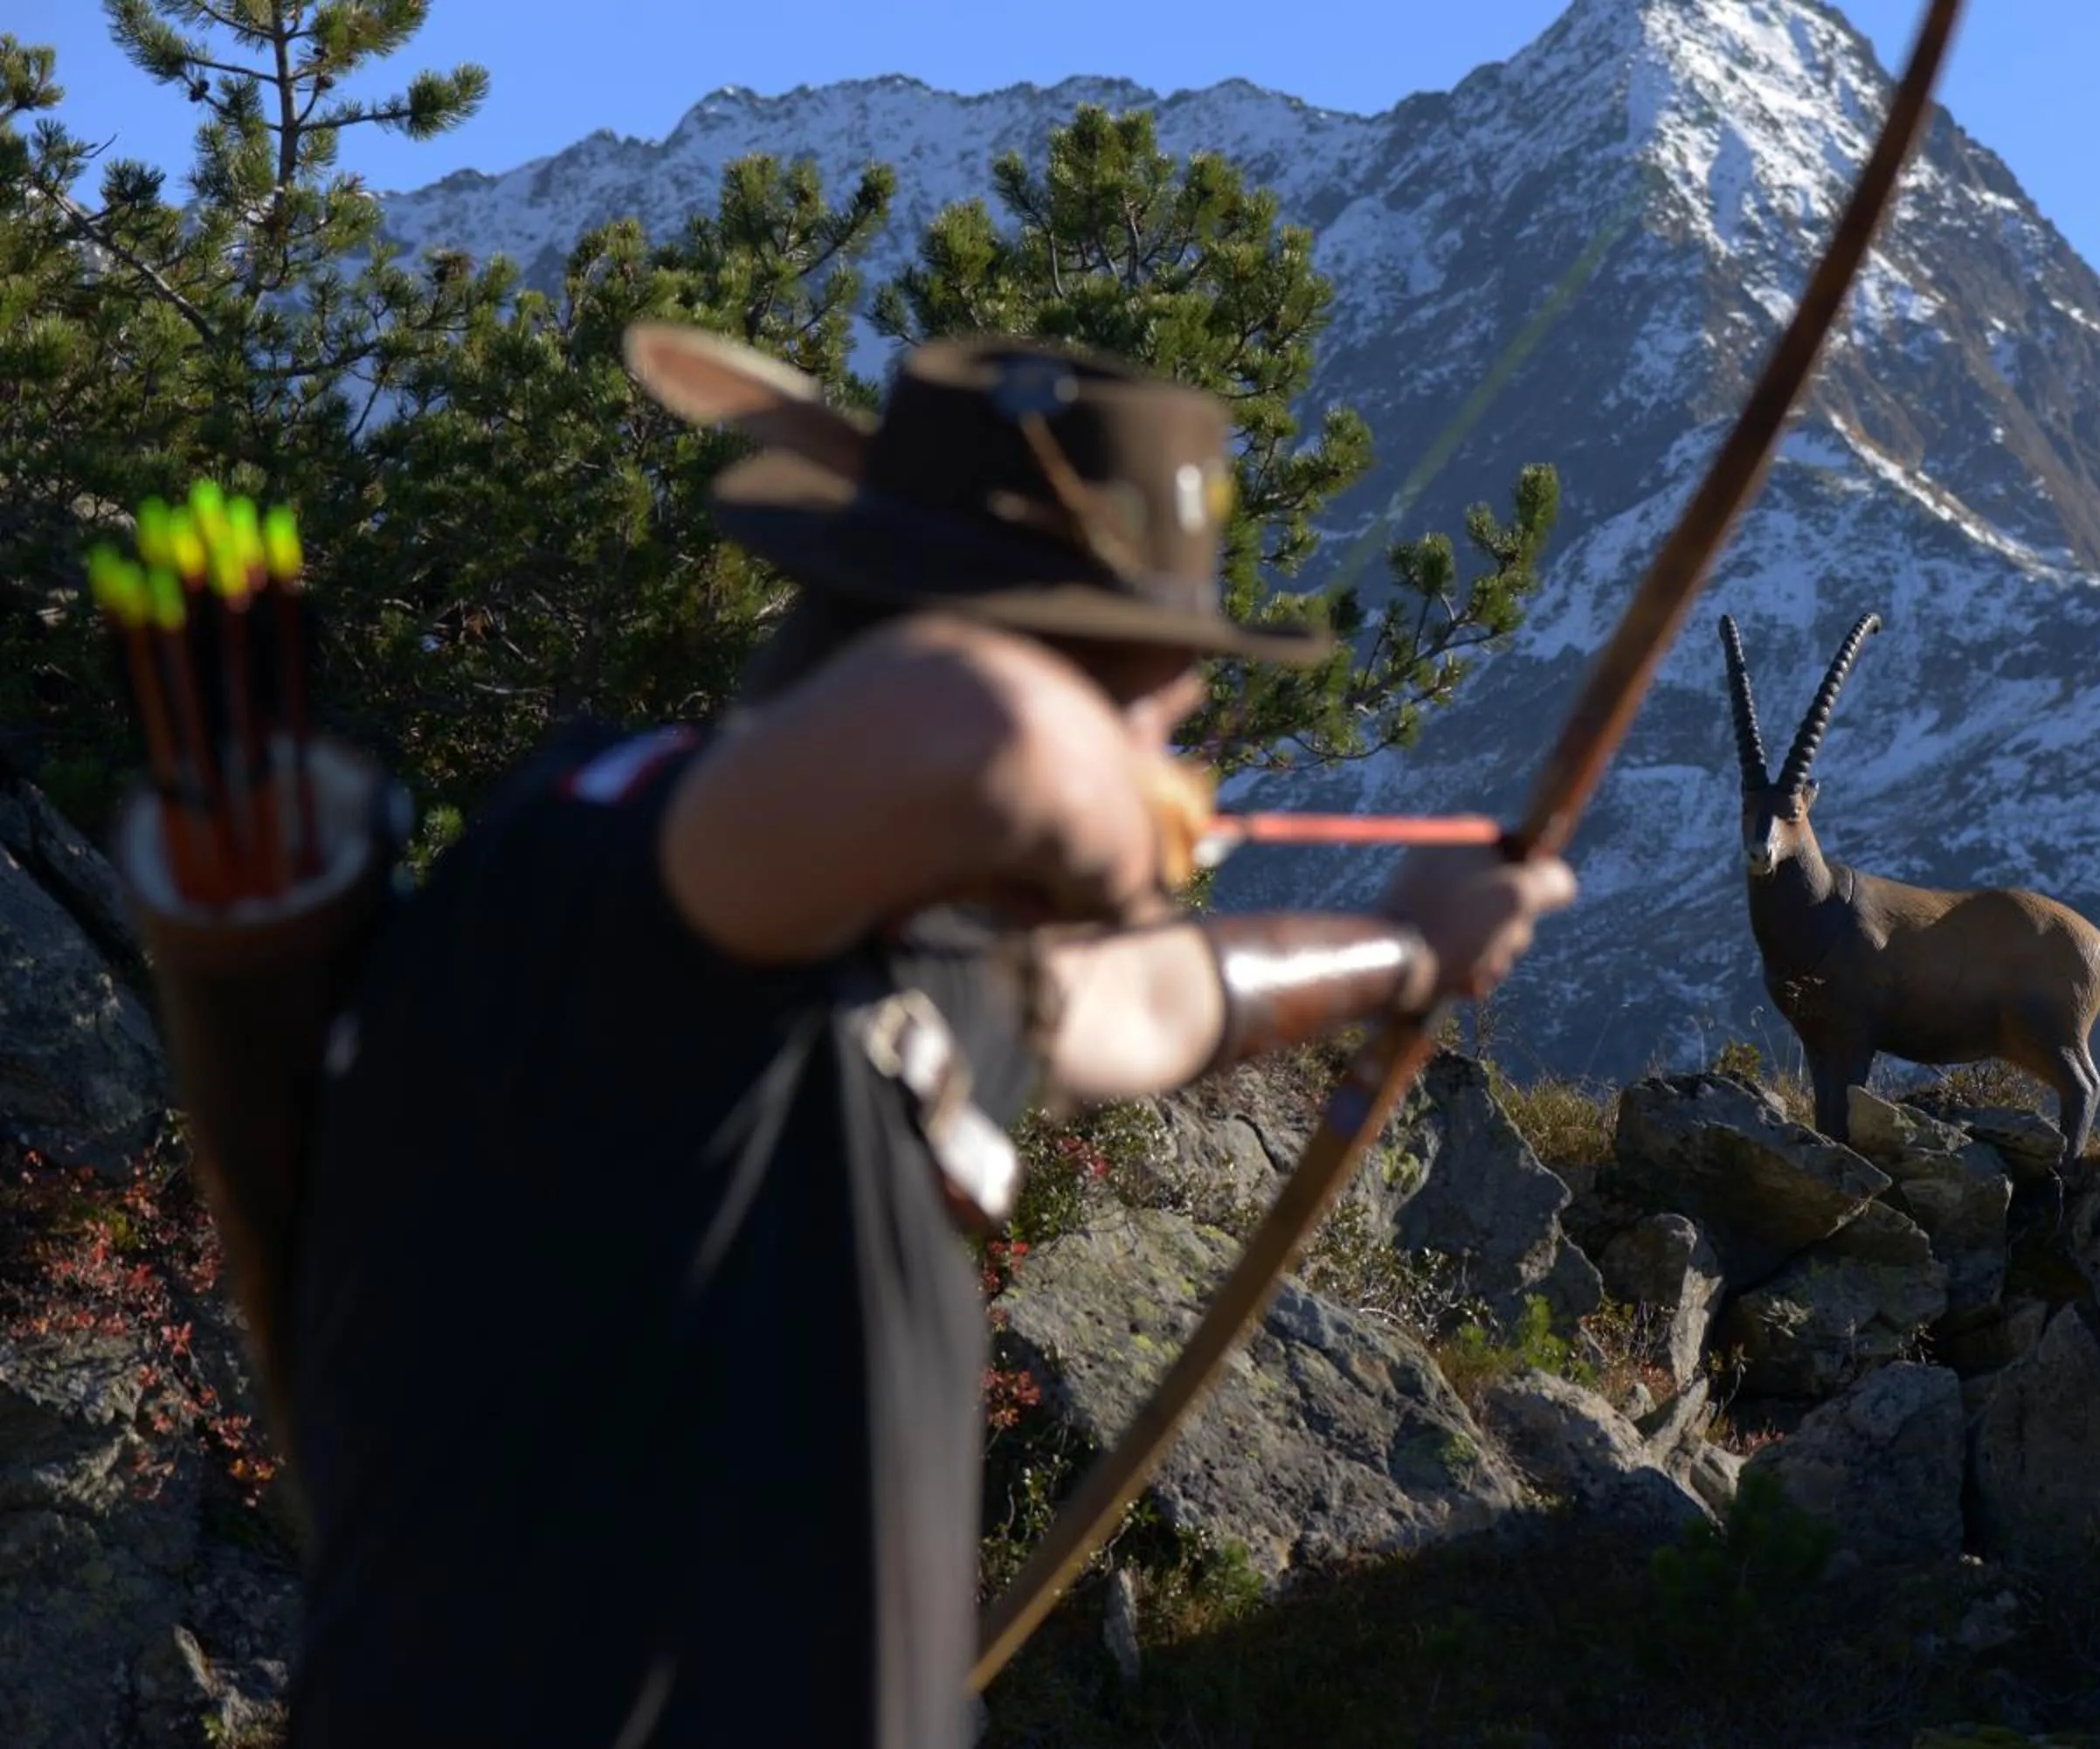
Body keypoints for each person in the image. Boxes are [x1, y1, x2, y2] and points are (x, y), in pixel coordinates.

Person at [279, 324, 1578, 1748]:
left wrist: (1407, 949)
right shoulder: (624, 861)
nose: (1192, 708)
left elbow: (1136, 1002)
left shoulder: (901, 941)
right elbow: (987, 734)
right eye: (1163, 668)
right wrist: (1120, 810)